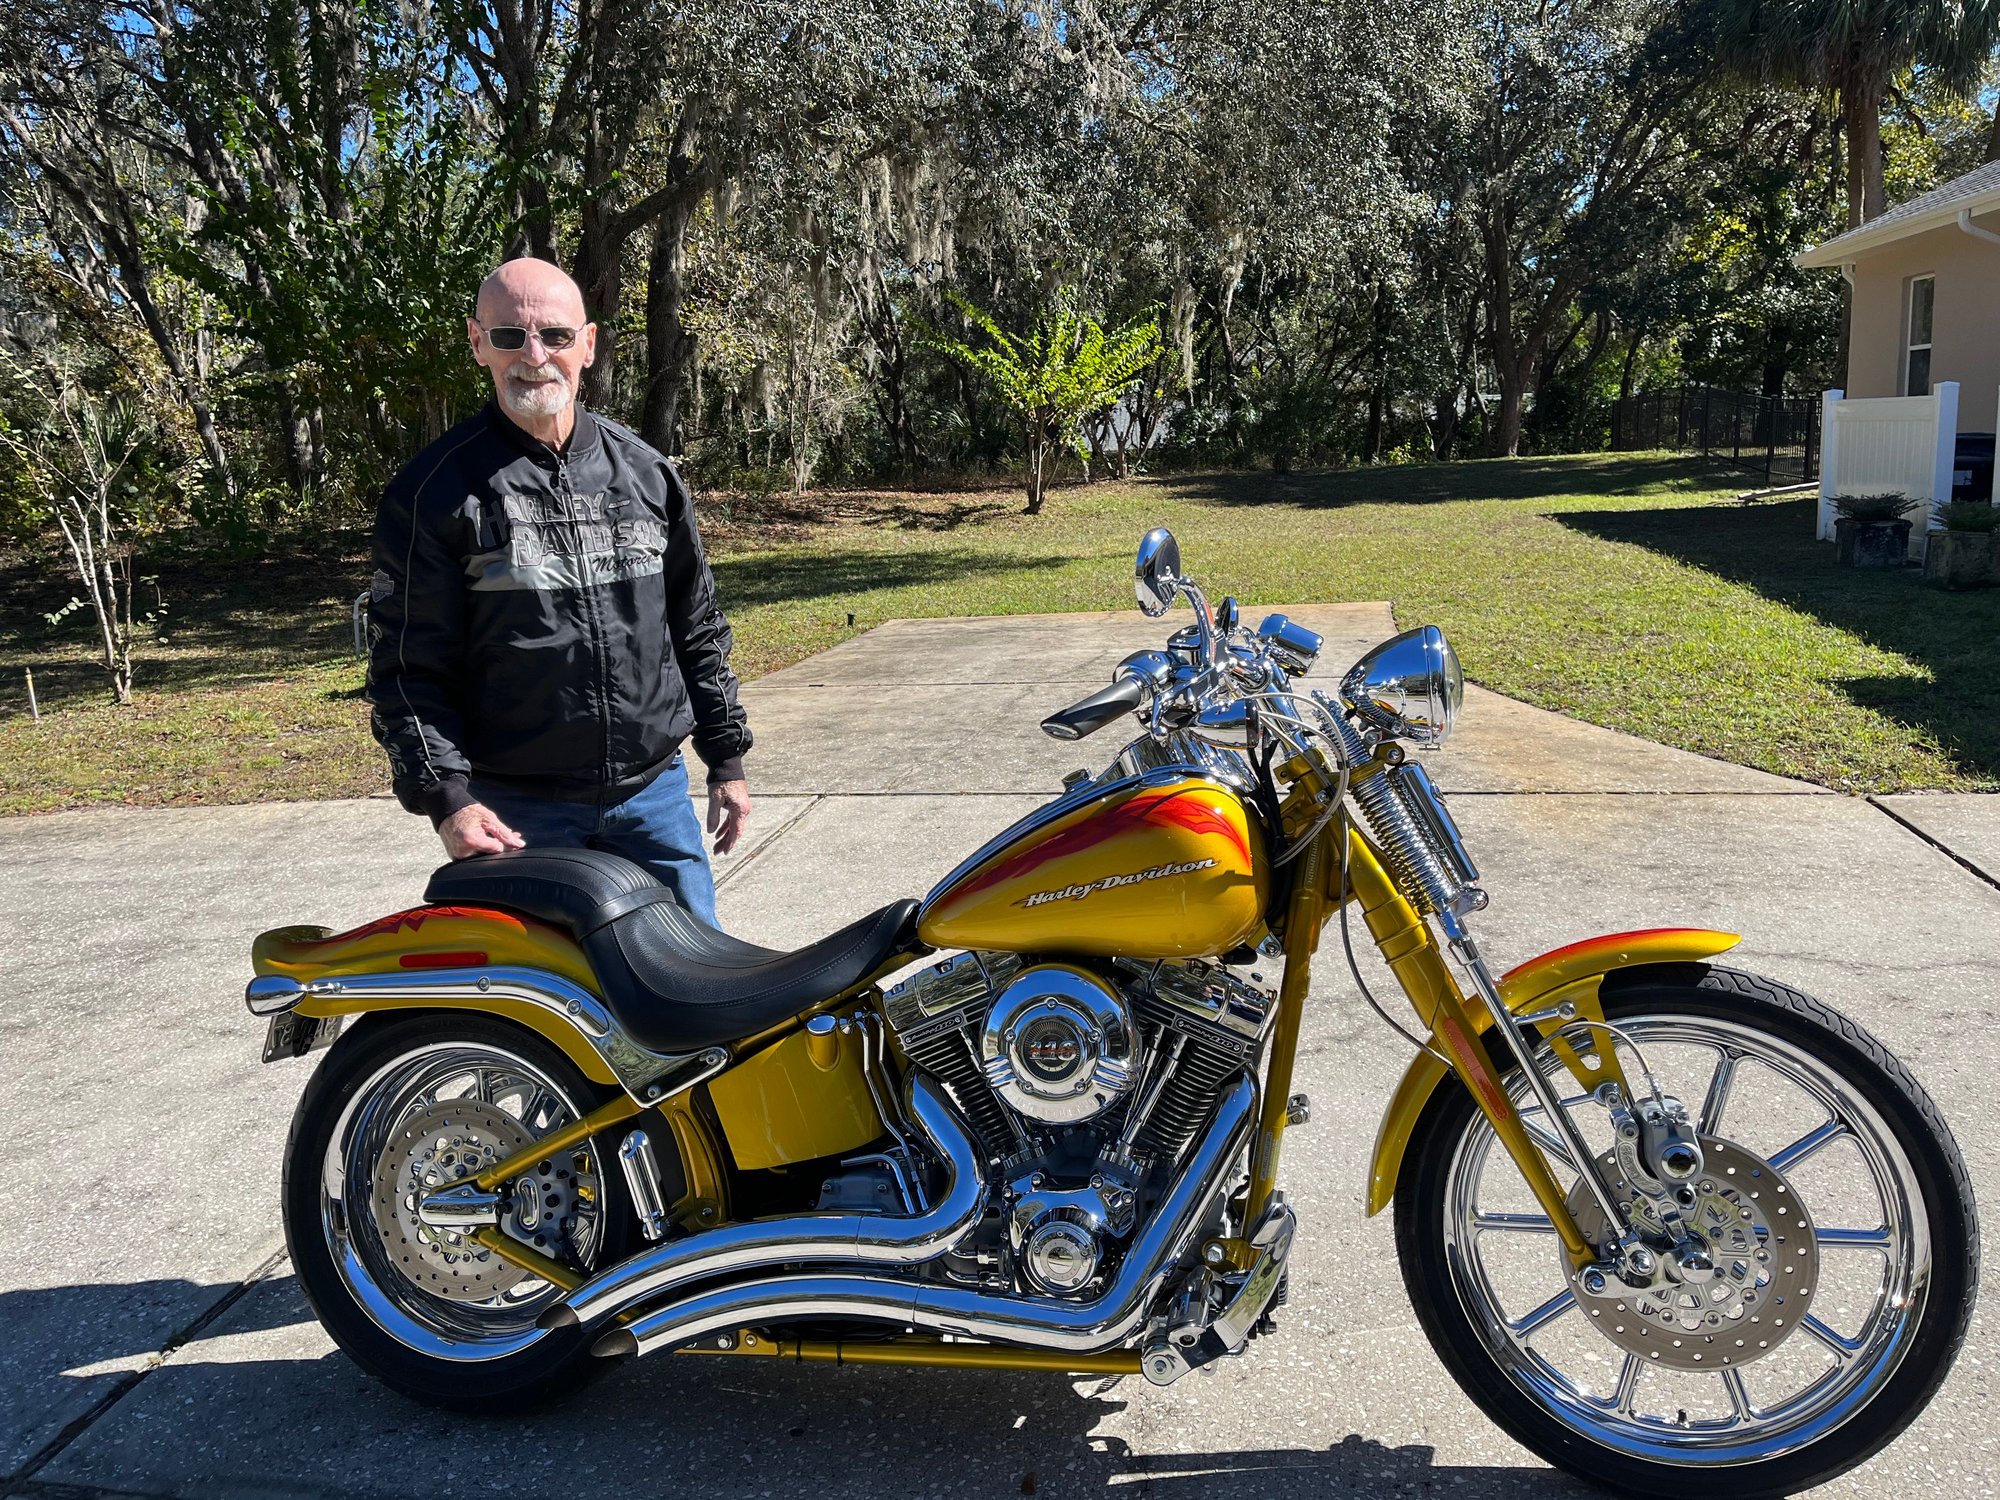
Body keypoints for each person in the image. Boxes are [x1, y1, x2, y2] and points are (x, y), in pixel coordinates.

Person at [364, 256, 751, 926]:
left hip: (654, 801)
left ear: (589, 345)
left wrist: (727, 758)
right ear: (477, 343)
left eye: (556, 337)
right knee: (547, 1012)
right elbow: (406, 669)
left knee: (695, 1001)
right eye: (509, 336)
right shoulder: (433, 494)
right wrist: (448, 801)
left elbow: (696, 627)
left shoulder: (646, 475)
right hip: (517, 815)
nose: (533, 356)